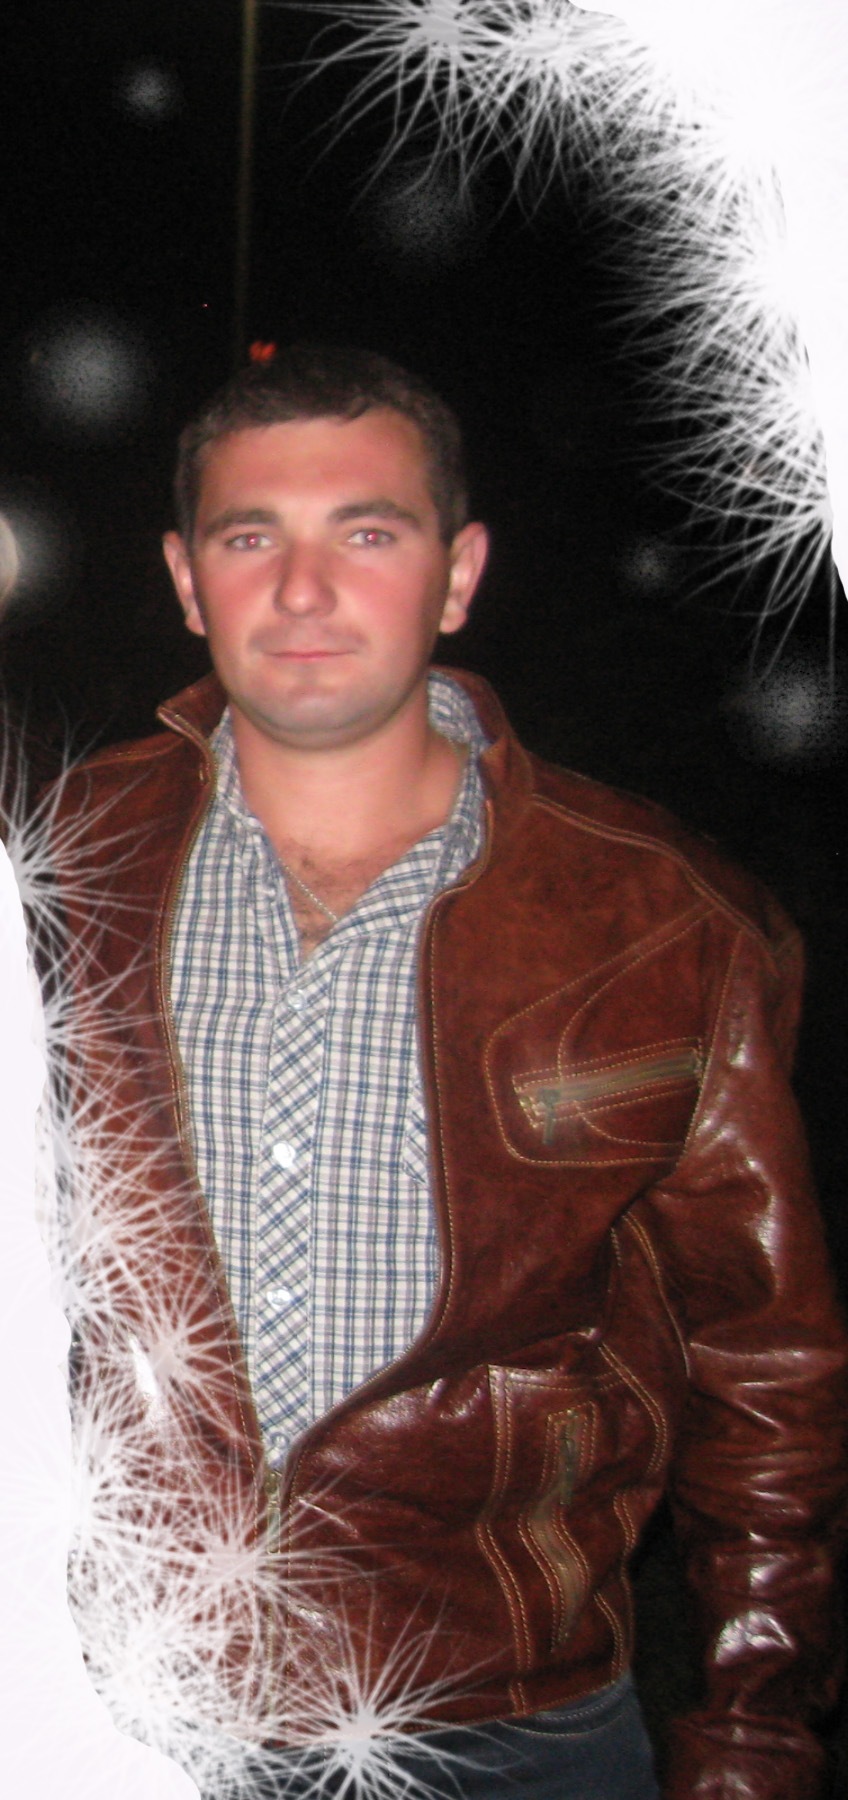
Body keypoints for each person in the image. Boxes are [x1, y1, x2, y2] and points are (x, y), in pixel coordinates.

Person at [49, 345, 847, 1800]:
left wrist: (752, 1728)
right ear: (185, 581)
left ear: (459, 573)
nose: (304, 592)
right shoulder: (55, 879)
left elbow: (766, 1371)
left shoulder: (661, 924)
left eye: (368, 533)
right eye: (251, 539)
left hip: (505, 1723)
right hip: (109, 1713)